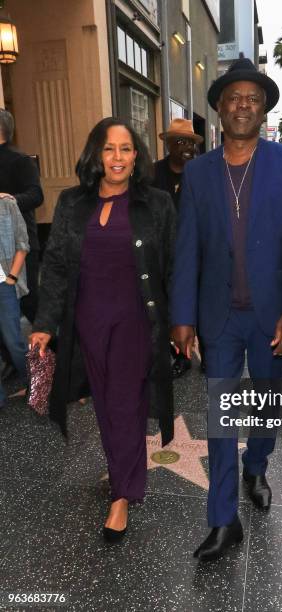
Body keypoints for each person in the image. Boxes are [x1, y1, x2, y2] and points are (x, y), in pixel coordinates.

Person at [171, 58, 282, 561]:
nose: (242, 106)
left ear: (264, 110)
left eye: (252, 99)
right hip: (219, 317)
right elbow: (187, 249)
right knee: (219, 415)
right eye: (233, 97)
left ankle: (258, 464)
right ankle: (222, 519)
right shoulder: (196, 173)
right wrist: (182, 316)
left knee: (266, 401)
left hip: (273, 313)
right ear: (218, 107)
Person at [30, 118, 176, 542]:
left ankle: (122, 495)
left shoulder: (158, 204)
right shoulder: (72, 202)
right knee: (104, 405)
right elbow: (56, 264)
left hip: (134, 319)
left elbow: (173, 266)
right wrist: (43, 324)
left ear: (137, 156)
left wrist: (183, 323)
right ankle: (121, 469)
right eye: (109, 149)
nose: (117, 158)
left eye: (126, 149)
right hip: (88, 321)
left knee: (124, 403)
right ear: (96, 154)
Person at [152, 119, 203, 378]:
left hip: (197, 250)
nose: (186, 147)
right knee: (168, 307)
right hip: (161, 253)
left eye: (191, 143)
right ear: (169, 145)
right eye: (180, 142)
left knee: (201, 302)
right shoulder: (152, 174)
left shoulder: (202, 172)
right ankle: (181, 356)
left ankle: (207, 351)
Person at [0, 109, 43, 325]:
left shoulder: (20, 160)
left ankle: (55, 353)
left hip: (20, 245)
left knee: (29, 302)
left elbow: (36, 195)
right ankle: (11, 356)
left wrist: (9, 201)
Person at [0, 195, 29, 409]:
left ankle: (35, 385)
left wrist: (12, 278)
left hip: (4, 285)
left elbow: (22, 244)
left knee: (14, 341)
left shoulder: (7, 204)